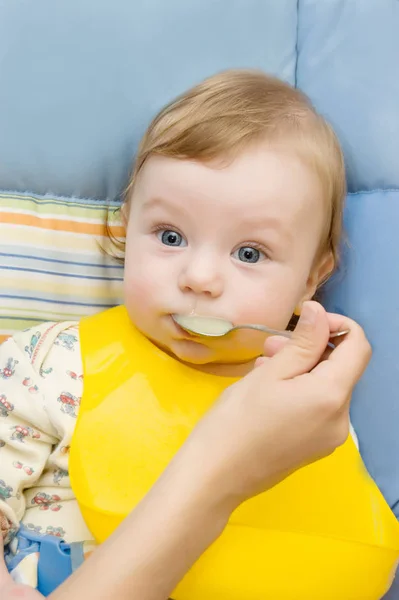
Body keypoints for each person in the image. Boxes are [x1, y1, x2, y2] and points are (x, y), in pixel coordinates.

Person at [0, 70, 394, 598]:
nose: (199, 279)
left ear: (311, 279)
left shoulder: (314, 407)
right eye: (170, 236)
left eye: (249, 253)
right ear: (125, 229)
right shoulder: (52, 364)